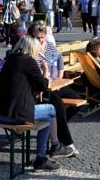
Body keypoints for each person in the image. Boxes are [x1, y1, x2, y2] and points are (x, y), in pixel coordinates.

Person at [0, 35, 61, 171]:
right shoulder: (28, 61)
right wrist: (45, 71)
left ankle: (42, 156)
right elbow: (44, 85)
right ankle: (51, 149)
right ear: (32, 48)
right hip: (16, 115)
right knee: (51, 109)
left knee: (47, 118)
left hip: (1, 113)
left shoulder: (10, 59)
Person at [31, 23, 80, 157]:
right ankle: (66, 143)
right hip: (42, 88)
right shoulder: (32, 51)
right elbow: (37, 77)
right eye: (37, 38)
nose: (40, 40)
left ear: (46, 36)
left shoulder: (50, 47)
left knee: (77, 98)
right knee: (59, 106)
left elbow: (59, 58)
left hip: (54, 84)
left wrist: (60, 75)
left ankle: (56, 128)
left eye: (42, 37)